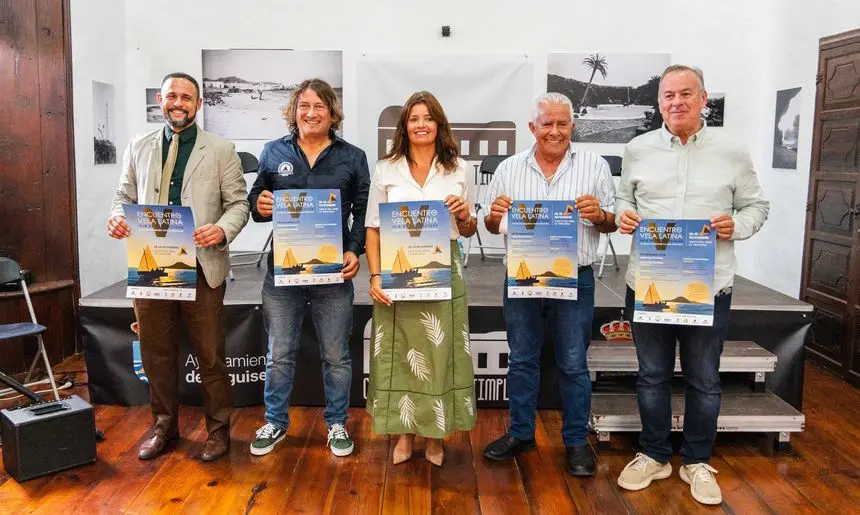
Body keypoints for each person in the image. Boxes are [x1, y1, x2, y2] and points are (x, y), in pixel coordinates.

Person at [615, 65, 769, 505]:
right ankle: (654, 454)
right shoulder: (638, 148)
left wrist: (735, 225)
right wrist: (624, 212)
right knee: (652, 375)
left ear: (705, 100)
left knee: (704, 378)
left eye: (687, 93)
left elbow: (757, 205)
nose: (677, 102)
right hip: (649, 282)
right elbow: (625, 196)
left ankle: (698, 460)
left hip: (709, 284)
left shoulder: (732, 151)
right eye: (668, 95)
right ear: (658, 102)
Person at [108, 72, 250, 462]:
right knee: (156, 353)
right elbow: (123, 195)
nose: (179, 103)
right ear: (160, 99)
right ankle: (163, 427)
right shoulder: (139, 145)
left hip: (202, 267)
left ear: (198, 104)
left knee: (211, 355)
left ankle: (219, 430)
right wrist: (117, 216)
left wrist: (221, 230)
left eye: (187, 97)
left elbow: (240, 204)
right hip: (151, 264)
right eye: (172, 95)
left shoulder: (220, 149)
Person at [482, 92, 617, 476]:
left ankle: (576, 442)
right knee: (522, 360)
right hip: (522, 280)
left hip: (576, 278)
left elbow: (610, 221)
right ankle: (521, 432)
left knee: (574, 364)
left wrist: (602, 213)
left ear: (572, 125)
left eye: (562, 123)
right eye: (547, 123)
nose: (554, 131)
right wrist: (494, 216)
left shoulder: (594, 166)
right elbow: (492, 226)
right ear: (533, 127)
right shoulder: (509, 168)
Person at [247, 78, 370, 457]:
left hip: (333, 274)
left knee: (336, 356)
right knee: (279, 352)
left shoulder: (353, 156)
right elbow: (255, 202)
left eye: (319, 106)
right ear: (294, 111)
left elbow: (363, 212)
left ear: (332, 113)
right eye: (304, 106)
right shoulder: (272, 152)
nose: (311, 113)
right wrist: (260, 205)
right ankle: (275, 422)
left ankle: (336, 425)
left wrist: (354, 250)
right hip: (283, 275)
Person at [364, 91, 478, 467]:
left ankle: (434, 435)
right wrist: (375, 276)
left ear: (439, 124)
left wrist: (463, 215)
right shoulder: (386, 168)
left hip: (443, 269)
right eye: (414, 118)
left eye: (428, 117)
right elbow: (373, 228)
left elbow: (468, 228)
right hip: (397, 274)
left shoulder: (460, 168)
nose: (421, 124)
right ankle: (402, 432)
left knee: (438, 351)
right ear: (404, 126)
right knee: (401, 352)